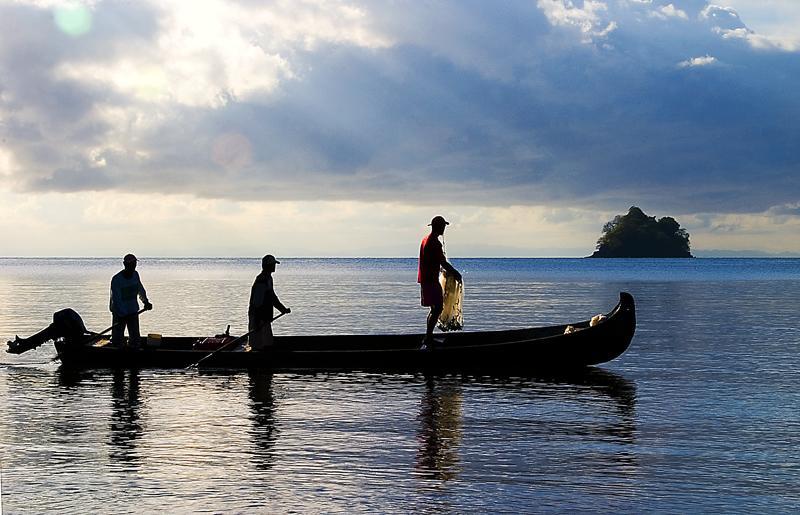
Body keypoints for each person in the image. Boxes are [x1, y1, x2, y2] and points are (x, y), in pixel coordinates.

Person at [418, 216, 461, 348]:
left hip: (426, 278)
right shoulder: (434, 243)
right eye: (443, 226)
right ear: (438, 227)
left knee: (434, 308)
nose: (444, 229)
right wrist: (455, 273)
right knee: (438, 308)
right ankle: (428, 338)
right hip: (430, 279)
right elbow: (442, 262)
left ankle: (428, 337)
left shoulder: (425, 240)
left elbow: (435, 260)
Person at [248, 254, 291, 351]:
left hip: (264, 317)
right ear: (268, 266)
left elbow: (272, 297)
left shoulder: (268, 278)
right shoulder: (262, 280)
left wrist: (282, 309)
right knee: (258, 345)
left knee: (267, 342)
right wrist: (257, 321)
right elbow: (257, 302)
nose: (274, 266)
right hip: (258, 317)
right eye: (273, 264)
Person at [110, 254, 152, 347]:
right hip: (119, 313)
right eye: (131, 264)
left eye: (134, 264)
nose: (133, 266)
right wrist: (124, 314)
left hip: (133, 311)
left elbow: (140, 289)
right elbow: (117, 300)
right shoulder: (117, 280)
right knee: (117, 338)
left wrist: (145, 301)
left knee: (135, 337)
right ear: (125, 264)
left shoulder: (135, 275)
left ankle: (134, 348)